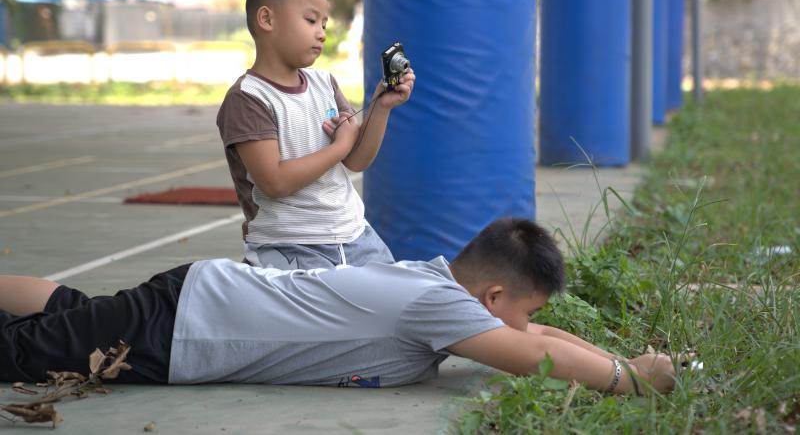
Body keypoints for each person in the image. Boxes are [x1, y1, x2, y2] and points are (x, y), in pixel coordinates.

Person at [0, 218, 676, 394]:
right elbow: (531, 351)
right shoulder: (437, 308)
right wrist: (630, 382)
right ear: (492, 297)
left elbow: (538, 332)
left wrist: (621, 358)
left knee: (71, 310)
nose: (525, 325)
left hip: (194, 301)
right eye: (521, 311)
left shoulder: (430, 280)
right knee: (21, 353)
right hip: (181, 331)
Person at [216, 0, 415, 270]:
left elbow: (356, 160)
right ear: (267, 19)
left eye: (324, 23)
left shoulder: (325, 84)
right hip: (289, 245)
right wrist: (337, 147)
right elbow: (276, 182)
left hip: (355, 235)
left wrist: (381, 107)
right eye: (311, 20)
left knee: (400, 303)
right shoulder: (249, 98)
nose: (322, 33)